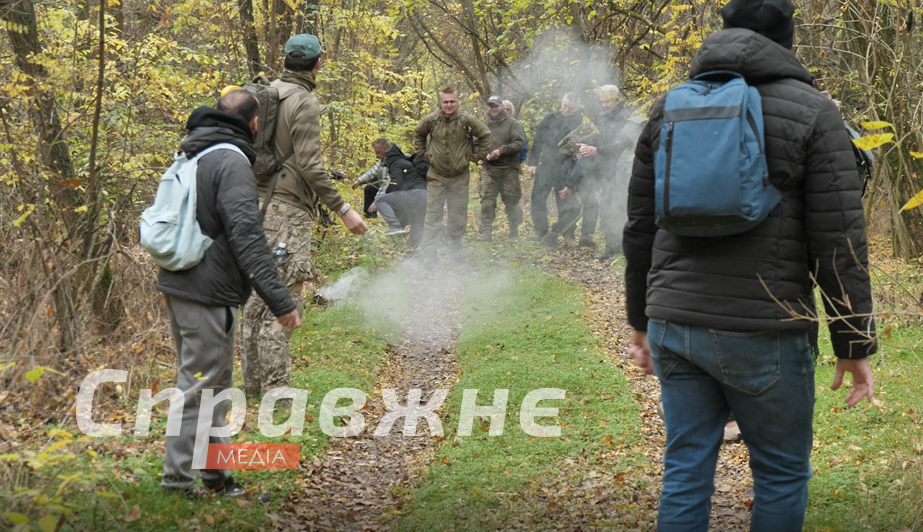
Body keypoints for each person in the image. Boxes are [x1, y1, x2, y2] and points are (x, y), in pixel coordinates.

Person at [624, 1, 876, 530]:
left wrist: (640, 323)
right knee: (781, 474)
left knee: (685, 471)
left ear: (724, 27)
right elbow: (839, 240)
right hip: (766, 327)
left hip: (676, 321)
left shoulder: (668, 106)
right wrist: (853, 345)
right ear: (787, 36)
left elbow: (641, 226)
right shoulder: (814, 111)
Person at [156, 90, 301, 497]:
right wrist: (280, 299)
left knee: (214, 388)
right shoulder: (232, 160)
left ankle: (216, 477)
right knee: (200, 388)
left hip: (182, 281)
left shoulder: (195, 152)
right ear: (254, 123)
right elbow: (246, 234)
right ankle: (177, 483)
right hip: (207, 289)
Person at [241, 33, 367, 397]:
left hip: (254, 206)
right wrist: (343, 209)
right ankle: (276, 394)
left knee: (256, 299)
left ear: (285, 60)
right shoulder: (304, 101)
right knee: (284, 298)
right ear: (318, 63)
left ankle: (252, 389)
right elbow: (311, 167)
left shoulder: (264, 94)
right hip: (287, 213)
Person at [413, 87, 490, 262]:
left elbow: (485, 134)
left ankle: (456, 251)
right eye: (445, 102)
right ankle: (429, 254)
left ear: (457, 101)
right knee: (433, 215)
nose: (449, 105)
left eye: (452, 102)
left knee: (458, 215)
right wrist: (423, 153)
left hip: (459, 176)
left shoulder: (466, 120)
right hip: (436, 176)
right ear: (440, 102)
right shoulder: (432, 120)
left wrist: (479, 156)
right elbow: (418, 134)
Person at [558, 85, 635, 253]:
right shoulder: (600, 115)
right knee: (605, 209)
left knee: (618, 208)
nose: (604, 105)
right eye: (602, 101)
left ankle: (622, 249)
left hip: (620, 169)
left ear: (617, 100)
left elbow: (620, 146)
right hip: (601, 168)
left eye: (607, 101)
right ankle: (609, 249)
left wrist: (597, 150)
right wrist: (588, 145)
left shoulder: (626, 116)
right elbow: (597, 138)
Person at [526, 93, 584, 245]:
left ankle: (568, 234)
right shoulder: (550, 117)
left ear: (577, 107)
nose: (565, 109)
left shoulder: (580, 121)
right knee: (537, 198)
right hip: (547, 164)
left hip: (566, 167)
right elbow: (538, 140)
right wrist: (532, 162)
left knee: (565, 201)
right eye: (564, 105)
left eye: (570, 108)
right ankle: (540, 231)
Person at [478, 95, 526, 241]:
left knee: (511, 201)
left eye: (496, 106)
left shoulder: (513, 124)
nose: (493, 109)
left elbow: (520, 144)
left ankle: (514, 229)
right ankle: (486, 231)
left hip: (508, 169)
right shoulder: (483, 125)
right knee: (487, 201)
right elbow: (475, 144)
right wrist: (479, 155)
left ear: (501, 107)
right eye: (491, 106)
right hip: (489, 169)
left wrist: (501, 151)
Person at [374, 142, 428, 245]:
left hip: (415, 194)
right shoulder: (407, 162)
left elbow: (396, 182)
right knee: (416, 218)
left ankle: (395, 225)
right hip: (426, 195)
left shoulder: (396, 164)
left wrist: (387, 194)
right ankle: (414, 245)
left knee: (380, 200)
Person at [352, 138, 392, 218]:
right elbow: (373, 171)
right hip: (390, 186)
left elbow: (386, 184)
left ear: (385, 148)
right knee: (369, 189)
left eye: (378, 152)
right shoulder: (384, 159)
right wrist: (359, 181)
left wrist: (376, 201)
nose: (377, 155)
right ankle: (369, 217)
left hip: (400, 188)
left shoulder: (394, 159)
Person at [502, 100, 530, 166]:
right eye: (503, 109)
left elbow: (524, 144)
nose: (505, 111)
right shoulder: (493, 126)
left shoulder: (518, 126)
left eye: (508, 109)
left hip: (513, 163)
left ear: (511, 112)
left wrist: (520, 160)